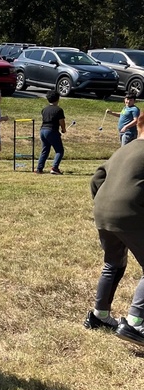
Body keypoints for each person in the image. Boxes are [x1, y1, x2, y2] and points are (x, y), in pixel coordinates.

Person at [85, 114, 144, 343]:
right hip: (129, 213)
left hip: (102, 212)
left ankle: (100, 315)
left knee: (113, 263)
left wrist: (103, 204)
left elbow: (96, 179)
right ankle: (135, 323)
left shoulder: (123, 150)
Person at [36, 90, 66, 174]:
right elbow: (61, 121)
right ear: (58, 99)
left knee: (45, 149)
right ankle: (55, 168)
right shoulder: (58, 110)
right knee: (59, 150)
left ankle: (39, 168)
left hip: (43, 130)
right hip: (52, 130)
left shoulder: (44, 109)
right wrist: (63, 129)